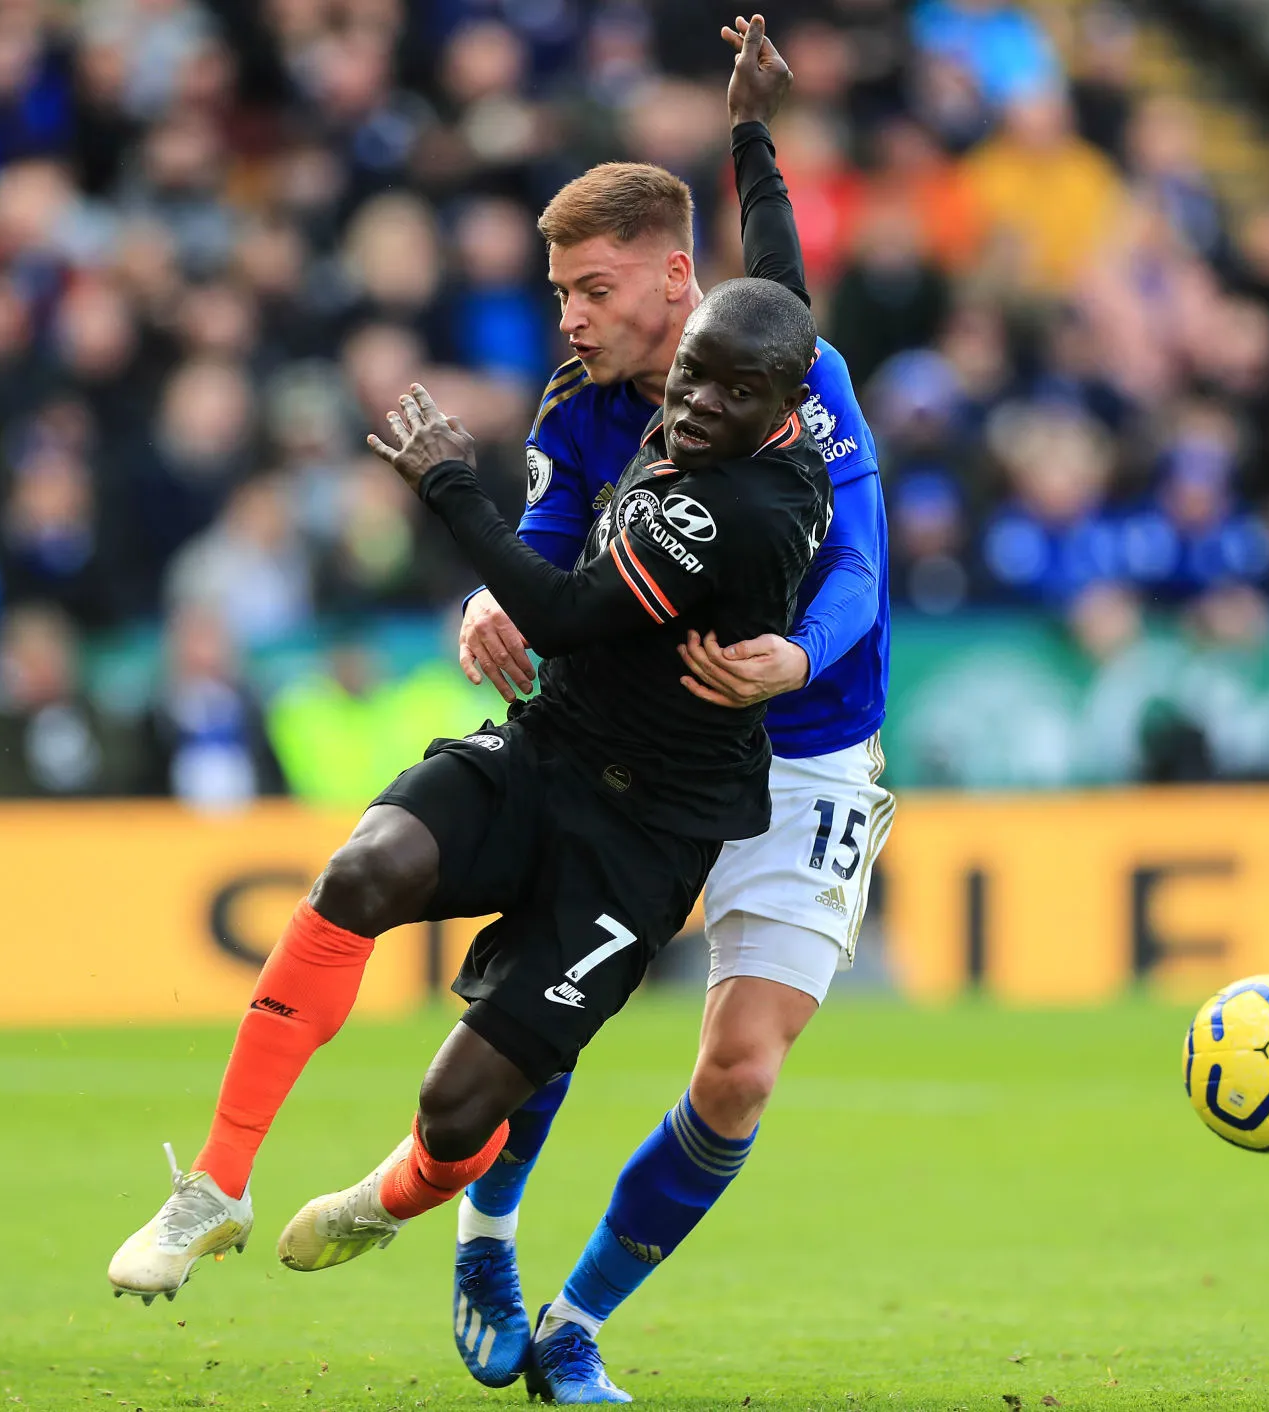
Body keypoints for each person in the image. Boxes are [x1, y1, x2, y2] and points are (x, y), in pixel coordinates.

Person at [104, 283, 830, 1388]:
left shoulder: (742, 509)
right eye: (691, 376)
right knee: (364, 867)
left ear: (785, 404)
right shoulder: (714, 383)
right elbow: (776, 282)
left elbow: (567, 614)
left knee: (459, 1107)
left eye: (732, 394)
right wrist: (750, 140)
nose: (694, 407)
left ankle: (395, 1194)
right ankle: (213, 1184)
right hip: (550, 747)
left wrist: (447, 483)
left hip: (647, 833)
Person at [449, 17, 892, 1402]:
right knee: (559, 1008)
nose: (574, 315)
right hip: (647, 744)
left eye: (592, 286)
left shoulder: (800, 375)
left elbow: (867, 563)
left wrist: (798, 655)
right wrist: (490, 600)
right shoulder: (589, 403)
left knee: (740, 1075)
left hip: (810, 744)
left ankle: (576, 1325)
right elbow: (557, 525)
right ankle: (486, 1235)